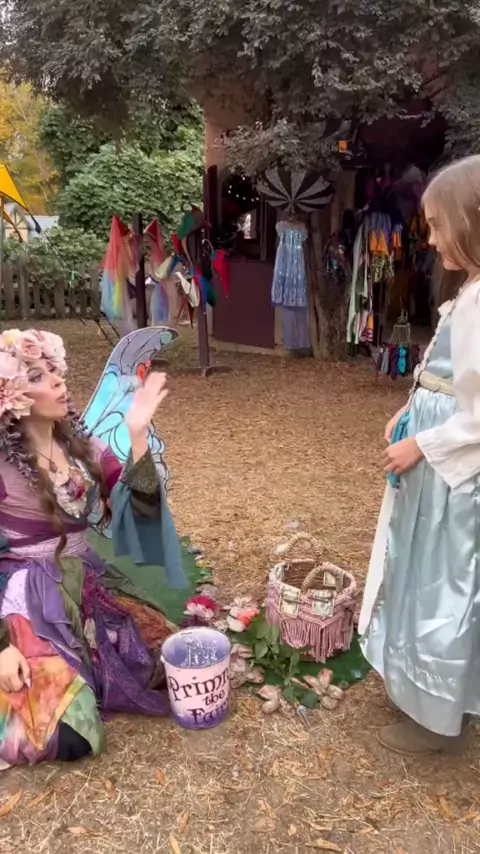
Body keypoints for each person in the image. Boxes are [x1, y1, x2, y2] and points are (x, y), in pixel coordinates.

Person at [0, 328, 187, 768]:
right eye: (39, 376)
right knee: (71, 735)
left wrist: (137, 436)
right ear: (11, 397)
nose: (59, 380)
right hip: (27, 596)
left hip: (84, 582)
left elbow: (137, 511)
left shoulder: (85, 448)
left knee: (162, 661)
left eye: (55, 370)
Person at [359, 155, 480, 756]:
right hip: (438, 464)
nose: (429, 239)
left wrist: (423, 444)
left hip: (452, 475)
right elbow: (448, 377)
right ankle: (424, 692)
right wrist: (409, 410)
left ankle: (437, 717)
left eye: (436, 225)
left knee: (443, 585)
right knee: (422, 570)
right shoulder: (472, 293)